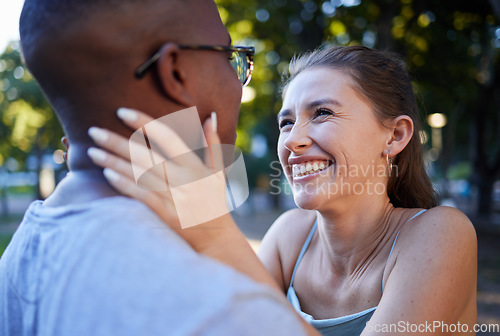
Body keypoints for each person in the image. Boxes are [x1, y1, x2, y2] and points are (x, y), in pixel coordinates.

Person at [90, 45, 478, 336]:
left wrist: (215, 232)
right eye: (287, 122)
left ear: (395, 136)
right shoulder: (291, 236)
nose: (293, 140)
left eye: (322, 113)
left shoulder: (441, 234)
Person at [0, 0, 319, 335]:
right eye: (228, 56)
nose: (239, 81)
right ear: (176, 73)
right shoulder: (215, 308)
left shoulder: (17, 258)